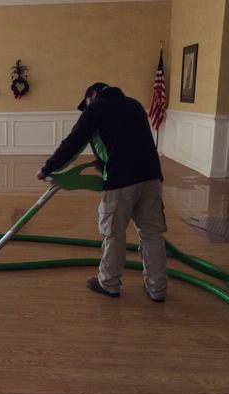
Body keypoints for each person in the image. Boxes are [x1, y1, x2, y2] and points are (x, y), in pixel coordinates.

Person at [36, 82, 167, 302]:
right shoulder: (134, 105)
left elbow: (74, 143)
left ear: (93, 95)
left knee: (114, 233)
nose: (86, 106)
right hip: (152, 177)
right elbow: (128, 141)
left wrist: (47, 168)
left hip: (121, 181)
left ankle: (109, 283)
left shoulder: (96, 108)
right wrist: (103, 162)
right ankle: (157, 288)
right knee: (152, 234)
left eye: (86, 102)